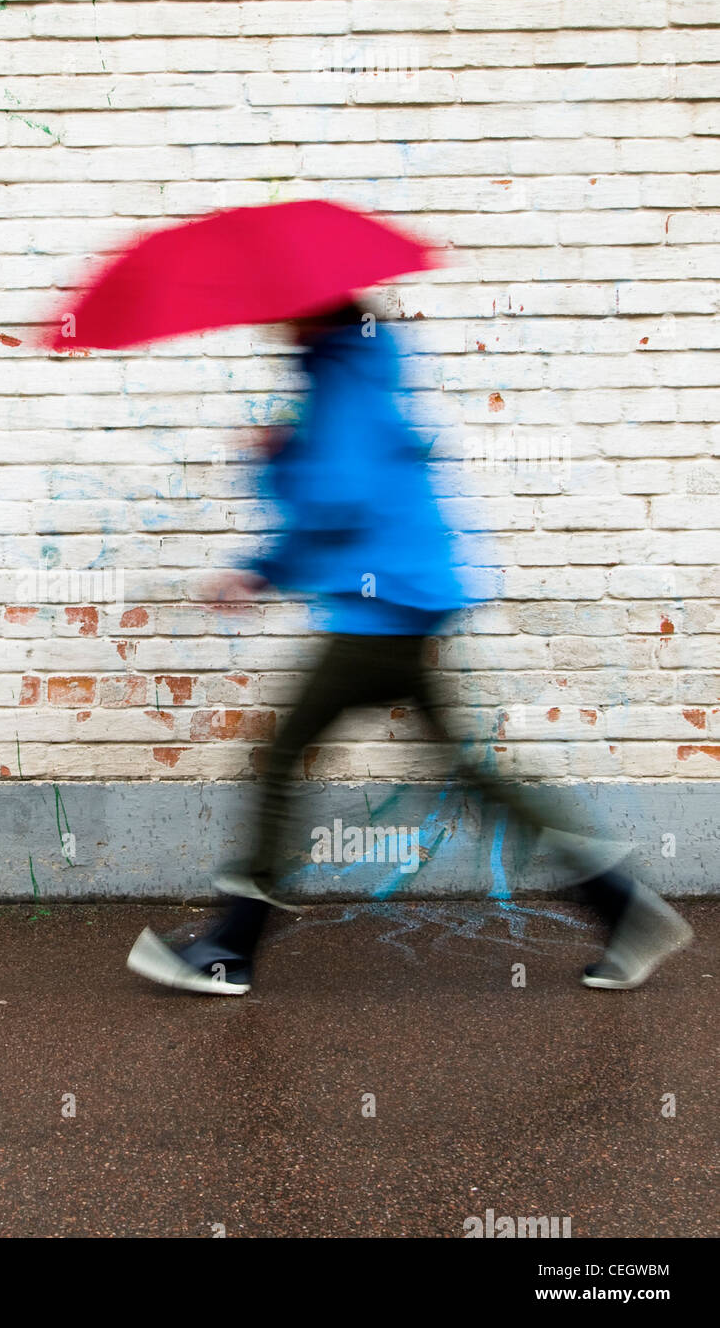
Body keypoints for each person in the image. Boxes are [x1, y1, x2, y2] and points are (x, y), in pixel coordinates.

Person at [126, 300, 693, 996]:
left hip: (381, 609)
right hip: (406, 600)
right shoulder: (363, 365)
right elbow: (360, 484)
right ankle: (623, 907)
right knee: (472, 775)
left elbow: (339, 498)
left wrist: (276, 470)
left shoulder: (342, 375)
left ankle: (231, 948)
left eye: (282, 312)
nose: (272, 322)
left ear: (313, 314)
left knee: (280, 754)